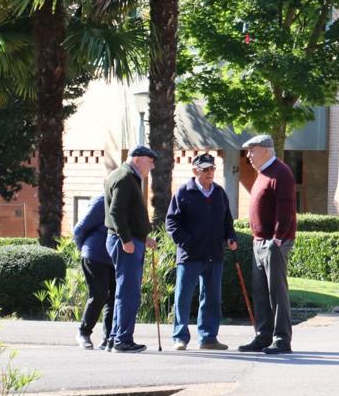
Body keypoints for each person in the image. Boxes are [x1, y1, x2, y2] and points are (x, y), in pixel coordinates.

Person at [166, 153, 238, 350]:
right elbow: (171, 222)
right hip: (190, 255)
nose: (209, 173)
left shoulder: (219, 193)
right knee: (183, 297)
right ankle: (180, 337)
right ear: (195, 171)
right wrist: (186, 242)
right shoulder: (183, 192)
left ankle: (208, 338)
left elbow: (227, 222)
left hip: (214, 254)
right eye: (205, 169)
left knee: (212, 298)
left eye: (212, 169)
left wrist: (230, 237)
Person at [238, 134, 297, 354]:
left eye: (252, 150)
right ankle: (263, 336)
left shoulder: (281, 173)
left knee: (277, 291)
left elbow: (286, 209)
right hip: (259, 241)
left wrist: (278, 239)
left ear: (266, 150)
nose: (248, 156)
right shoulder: (263, 174)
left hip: (274, 242)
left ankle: (282, 339)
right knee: (261, 291)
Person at [104, 145, 158, 353]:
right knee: (128, 293)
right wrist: (127, 239)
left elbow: (128, 214)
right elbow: (117, 212)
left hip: (129, 240)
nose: (152, 165)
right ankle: (122, 340)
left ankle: (114, 337)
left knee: (124, 291)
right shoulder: (126, 178)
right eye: (150, 160)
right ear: (137, 159)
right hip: (124, 243)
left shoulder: (124, 175)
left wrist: (143, 238)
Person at [72, 194, 116, 350]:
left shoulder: (126, 201)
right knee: (99, 294)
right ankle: (83, 332)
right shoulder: (101, 202)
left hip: (115, 258)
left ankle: (109, 337)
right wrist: (83, 249)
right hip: (95, 255)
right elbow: (79, 229)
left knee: (114, 298)